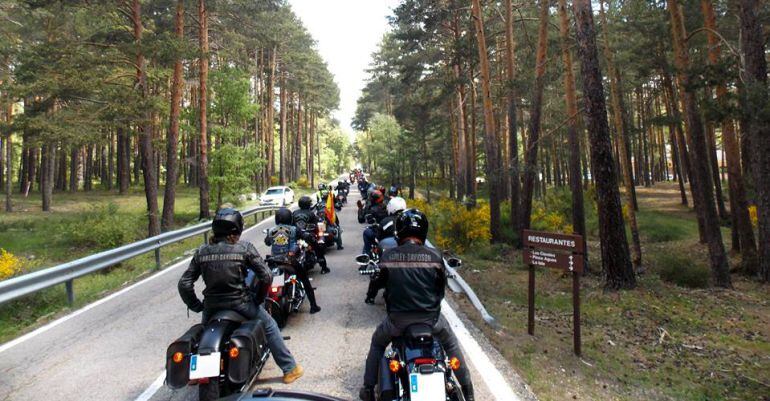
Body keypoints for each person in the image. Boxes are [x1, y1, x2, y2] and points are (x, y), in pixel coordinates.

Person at [178, 207, 304, 384]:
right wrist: (258, 299)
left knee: (203, 331)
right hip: (241, 304)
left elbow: (184, 283)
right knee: (269, 325)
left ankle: (197, 373)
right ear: (237, 228)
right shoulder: (244, 248)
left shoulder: (202, 251)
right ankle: (290, 368)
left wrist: (197, 305)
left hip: (212, 307)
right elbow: (267, 276)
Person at [359, 209, 474, 401]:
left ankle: (368, 389)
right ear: (423, 231)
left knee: (378, 343)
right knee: (451, 344)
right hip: (431, 321)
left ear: (400, 231)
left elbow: (378, 284)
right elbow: (440, 290)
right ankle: (469, 393)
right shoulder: (435, 256)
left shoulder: (388, 256)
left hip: (397, 322)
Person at [264, 207, 321, 314]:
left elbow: (267, 242)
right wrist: (310, 238)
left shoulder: (271, 230)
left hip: (274, 261)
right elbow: (305, 236)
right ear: (290, 218)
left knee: (267, 280)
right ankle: (313, 306)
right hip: (290, 261)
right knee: (305, 280)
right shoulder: (294, 229)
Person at [364, 196, 406, 305]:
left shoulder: (386, 221)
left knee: (377, 271)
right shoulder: (407, 219)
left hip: (388, 255)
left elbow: (377, 239)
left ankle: (370, 297)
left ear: (391, 208)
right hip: (405, 253)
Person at [293, 196, 330, 274]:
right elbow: (319, 224)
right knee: (318, 250)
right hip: (308, 236)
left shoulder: (294, 213)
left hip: (296, 236)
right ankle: (324, 268)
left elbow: (291, 224)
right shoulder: (311, 214)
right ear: (308, 204)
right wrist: (321, 232)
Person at [361, 190, 388, 255]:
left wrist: (360, 209)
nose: (371, 199)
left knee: (366, 232)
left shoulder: (372, 209)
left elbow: (361, 219)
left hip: (379, 232)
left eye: (372, 198)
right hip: (389, 231)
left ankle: (366, 254)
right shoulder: (387, 206)